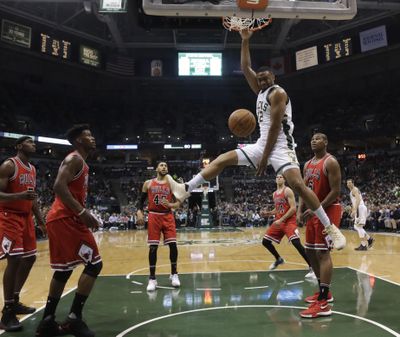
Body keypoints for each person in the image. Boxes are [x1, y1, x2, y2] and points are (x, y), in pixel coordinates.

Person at [171, 29, 346, 251]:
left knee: (298, 185)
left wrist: (264, 158)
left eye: (266, 78)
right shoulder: (260, 92)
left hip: (281, 145)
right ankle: (186, 187)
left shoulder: (278, 93)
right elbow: (245, 68)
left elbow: (274, 127)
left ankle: (330, 227)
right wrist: (244, 41)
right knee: (222, 159)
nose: (262, 80)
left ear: (274, 78)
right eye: (260, 78)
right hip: (263, 143)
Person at [36, 125, 102, 337]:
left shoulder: (79, 161)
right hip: (66, 218)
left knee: (63, 270)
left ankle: (47, 321)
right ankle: (74, 318)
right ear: (78, 141)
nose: (92, 138)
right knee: (95, 263)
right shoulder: (75, 159)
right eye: (88, 135)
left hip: (62, 218)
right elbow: (58, 186)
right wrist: (83, 212)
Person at [0, 136, 45, 331]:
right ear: (19, 146)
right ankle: (7, 311)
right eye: (29, 142)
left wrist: (41, 220)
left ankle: (15, 299)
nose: (33, 145)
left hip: (26, 217)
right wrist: (19, 196)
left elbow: (32, 197)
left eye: (34, 143)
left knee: (30, 258)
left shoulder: (32, 169)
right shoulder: (9, 165)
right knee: (15, 259)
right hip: (9, 216)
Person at [297, 133, 342, 318]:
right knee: (310, 251)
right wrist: (300, 210)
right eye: (312, 138)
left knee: (323, 252)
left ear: (326, 142)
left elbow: (336, 191)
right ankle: (324, 291)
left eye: (318, 138)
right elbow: (302, 190)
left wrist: (316, 208)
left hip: (329, 209)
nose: (313, 140)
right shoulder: (307, 165)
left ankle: (323, 303)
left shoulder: (330, 162)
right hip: (312, 212)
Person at [137, 162, 182, 292]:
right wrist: (139, 211)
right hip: (154, 216)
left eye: (166, 166)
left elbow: (178, 203)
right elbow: (140, 201)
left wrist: (171, 205)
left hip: (168, 216)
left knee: (173, 245)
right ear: (157, 168)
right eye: (161, 165)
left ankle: (174, 274)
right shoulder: (148, 183)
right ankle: (152, 278)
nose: (164, 167)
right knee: (153, 248)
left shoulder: (172, 184)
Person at [260, 174, 315, 278]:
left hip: (289, 221)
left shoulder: (287, 191)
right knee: (265, 241)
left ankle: (312, 266)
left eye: (280, 177)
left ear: (284, 179)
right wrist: (268, 213)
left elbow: (293, 208)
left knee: (296, 243)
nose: (278, 178)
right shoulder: (274, 194)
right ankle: (278, 259)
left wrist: (281, 219)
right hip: (279, 221)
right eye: (277, 177)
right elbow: (278, 209)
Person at [346, 179, 374, 251]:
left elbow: (358, 200)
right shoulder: (351, 191)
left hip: (360, 208)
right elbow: (354, 202)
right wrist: (352, 210)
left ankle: (363, 245)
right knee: (356, 226)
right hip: (359, 208)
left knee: (359, 226)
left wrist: (355, 210)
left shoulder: (355, 189)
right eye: (347, 183)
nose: (348, 184)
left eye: (350, 183)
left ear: (353, 183)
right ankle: (369, 239)